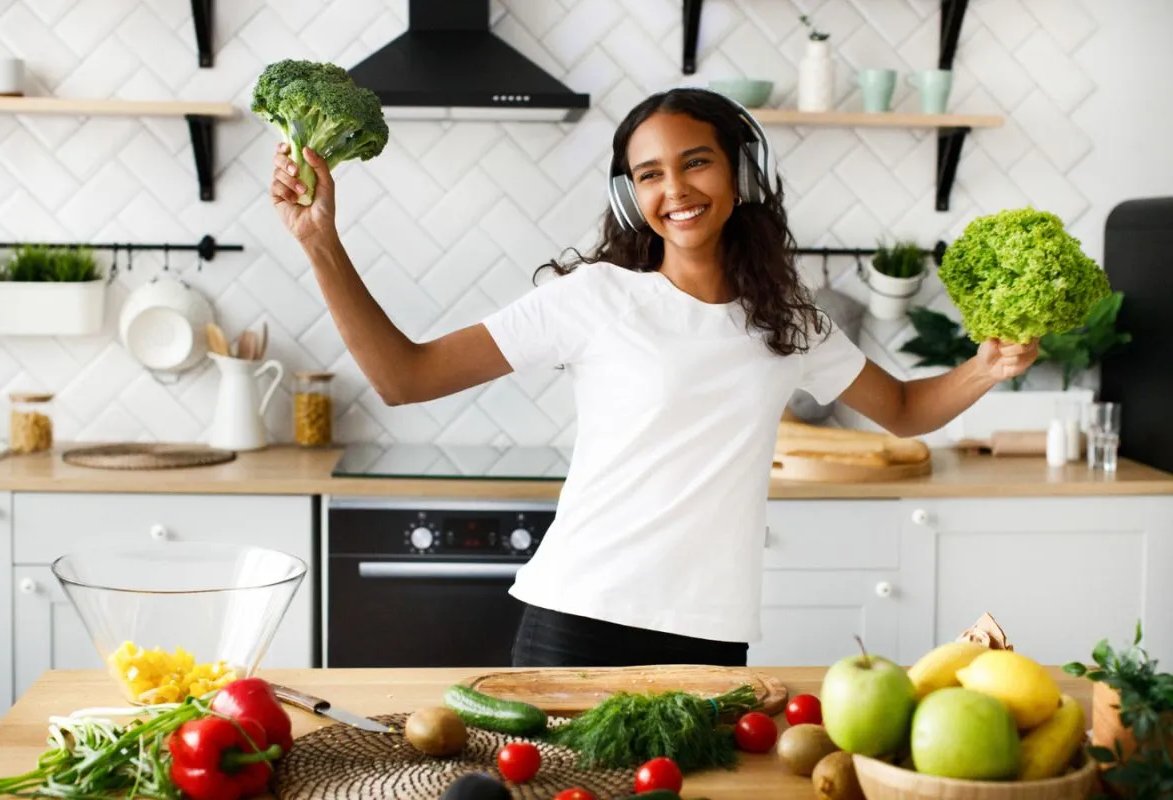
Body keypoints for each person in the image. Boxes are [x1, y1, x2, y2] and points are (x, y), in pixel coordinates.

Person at [269, 87, 1039, 668]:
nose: (675, 189)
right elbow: (406, 376)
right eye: (649, 174)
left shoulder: (790, 319)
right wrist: (320, 243)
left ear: (740, 172)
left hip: (710, 635)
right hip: (575, 621)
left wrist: (985, 366)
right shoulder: (596, 298)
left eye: (695, 161)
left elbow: (903, 409)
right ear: (630, 195)